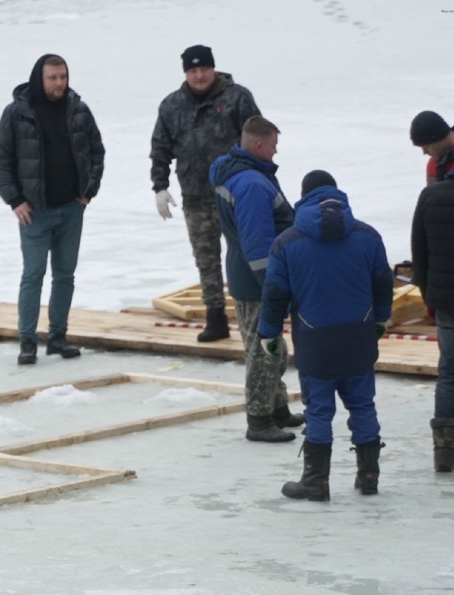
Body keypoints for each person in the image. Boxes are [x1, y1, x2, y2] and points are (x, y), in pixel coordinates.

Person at [259, 171, 394, 501]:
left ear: (303, 197)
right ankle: (369, 476)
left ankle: (316, 481)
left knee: (319, 409)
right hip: (358, 336)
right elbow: (383, 283)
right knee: (363, 405)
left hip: (315, 339)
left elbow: (275, 294)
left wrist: (268, 332)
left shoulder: (287, 243)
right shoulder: (368, 236)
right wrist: (380, 320)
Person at [0, 53, 105, 366]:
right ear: (39, 79)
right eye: (53, 78)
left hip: (71, 207)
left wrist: (89, 191)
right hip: (34, 211)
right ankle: (27, 341)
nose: (59, 83)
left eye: (63, 77)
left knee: (65, 275)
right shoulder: (17, 113)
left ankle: (58, 337)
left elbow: (97, 151)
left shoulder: (78, 110)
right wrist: (14, 200)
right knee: (33, 275)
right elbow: (1, 159)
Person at [150, 44, 261, 343]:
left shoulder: (238, 97)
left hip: (235, 196)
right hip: (195, 196)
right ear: (186, 73)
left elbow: (257, 140)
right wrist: (160, 186)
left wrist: (258, 182)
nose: (199, 76)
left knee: (246, 255)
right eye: (193, 71)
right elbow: (160, 149)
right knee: (206, 258)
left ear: (213, 69)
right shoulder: (171, 106)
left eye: (204, 69)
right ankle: (216, 318)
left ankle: (256, 315)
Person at [209, 116, 302, 442]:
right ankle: (259, 421)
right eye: (274, 146)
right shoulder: (251, 185)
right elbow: (258, 244)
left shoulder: (228, 168)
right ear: (259, 145)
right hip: (256, 279)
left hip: (243, 270)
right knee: (264, 351)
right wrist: (273, 287)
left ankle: (277, 408)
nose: (276, 153)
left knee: (272, 346)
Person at [411, 159, 454, 472]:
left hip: (446, 300)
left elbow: (419, 252)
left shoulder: (430, 196)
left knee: (449, 371)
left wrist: (428, 296)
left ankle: (444, 451)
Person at [410, 110, 454, 185]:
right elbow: (433, 195)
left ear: (440, 138)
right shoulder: (434, 165)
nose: (424, 152)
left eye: (426, 147)